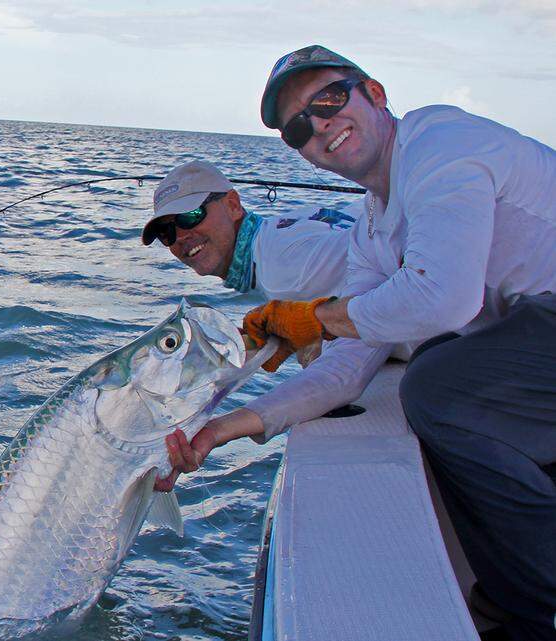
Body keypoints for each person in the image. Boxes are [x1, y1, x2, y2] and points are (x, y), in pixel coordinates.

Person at [165, 45, 556, 641]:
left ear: (373, 92)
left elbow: (443, 299)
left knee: (438, 386)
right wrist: (222, 430)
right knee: (444, 376)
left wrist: (317, 316)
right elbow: (346, 371)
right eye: (298, 127)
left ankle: (536, 611)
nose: (319, 125)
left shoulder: (439, 141)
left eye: (328, 99)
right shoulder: (376, 225)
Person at [141, 159, 358, 302]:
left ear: (233, 205)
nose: (179, 237)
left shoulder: (281, 269)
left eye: (190, 216)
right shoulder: (276, 236)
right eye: (165, 232)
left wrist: (320, 324)